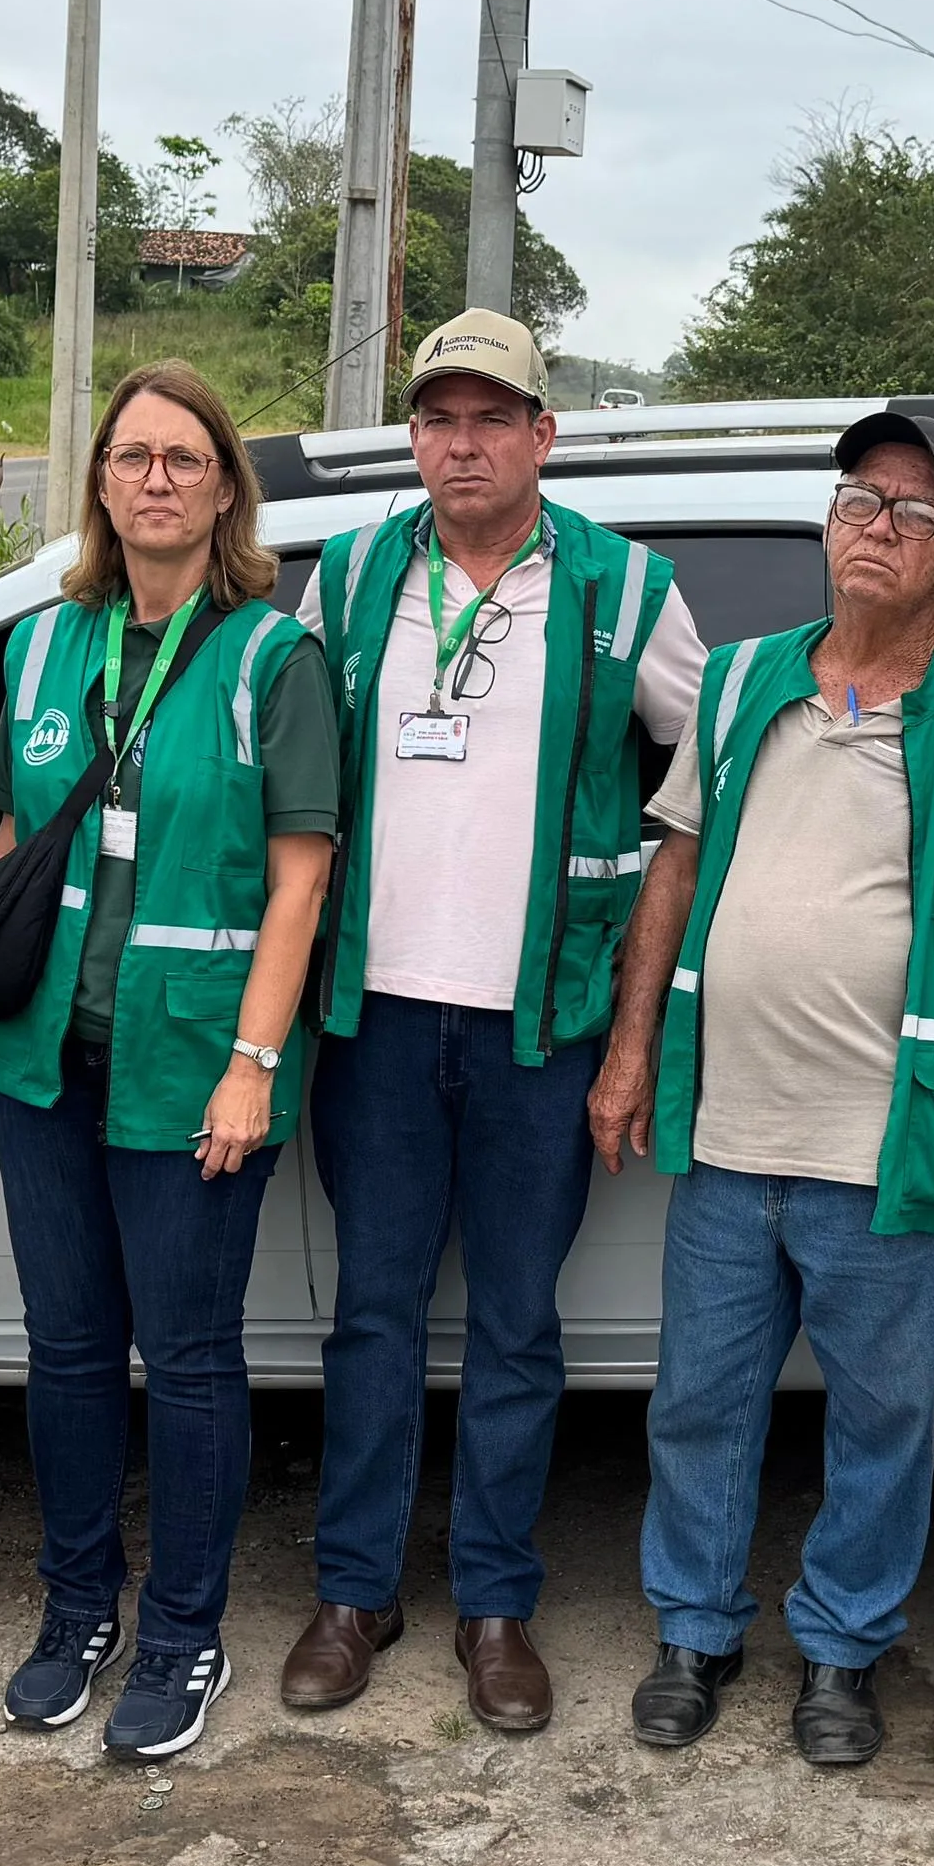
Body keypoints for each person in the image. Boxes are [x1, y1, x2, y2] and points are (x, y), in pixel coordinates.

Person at [589, 410, 934, 1769]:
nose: (878, 526)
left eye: (917, 513)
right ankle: (695, 1630)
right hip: (728, 1130)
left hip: (891, 1145)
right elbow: (672, 870)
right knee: (700, 1399)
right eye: (862, 499)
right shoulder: (739, 689)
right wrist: (629, 1055)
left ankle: (845, 1652)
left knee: (883, 1417)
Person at [288, 309, 705, 1733]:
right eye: (437, 419)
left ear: (543, 434)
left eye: (491, 417)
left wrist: (637, 1034)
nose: (461, 443)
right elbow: (296, 796)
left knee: (521, 1328)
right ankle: (355, 1593)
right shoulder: (346, 582)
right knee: (373, 1319)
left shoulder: (623, 589)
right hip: (377, 1025)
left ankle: (497, 1607)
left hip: (545, 1029)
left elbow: (701, 795)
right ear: (416, 439)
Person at [0, 362, 340, 1763]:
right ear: (100, 483)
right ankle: (74, 1610)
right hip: (49, 1057)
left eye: (184, 459)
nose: (155, 479)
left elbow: (300, 885)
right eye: (131, 457)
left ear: (226, 488)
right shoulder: (49, 646)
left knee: (187, 1360)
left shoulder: (272, 660)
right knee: (61, 1352)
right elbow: (12, 847)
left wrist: (253, 1064)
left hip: (191, 1066)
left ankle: (181, 1630)